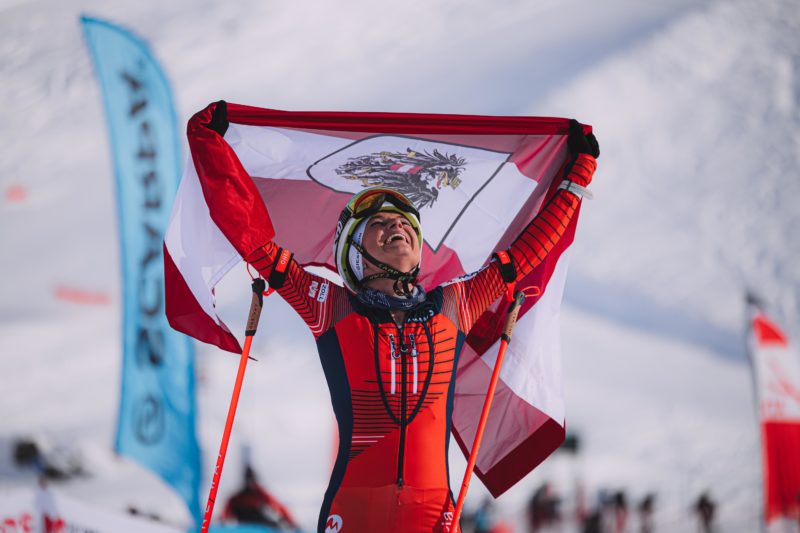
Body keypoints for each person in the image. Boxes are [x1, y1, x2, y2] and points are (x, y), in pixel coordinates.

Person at [201, 104, 599, 533]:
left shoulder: (456, 304)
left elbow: (525, 254)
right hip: (353, 511)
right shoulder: (331, 307)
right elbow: (255, 244)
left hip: (433, 513)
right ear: (354, 252)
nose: (398, 227)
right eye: (379, 223)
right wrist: (212, 148)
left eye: (405, 222)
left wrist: (576, 180)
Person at [222, 465, 299, 530]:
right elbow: (225, 514)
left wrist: (291, 522)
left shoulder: (260, 494)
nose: (250, 483)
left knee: (277, 524)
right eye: (248, 480)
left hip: (259, 524)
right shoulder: (237, 498)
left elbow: (279, 507)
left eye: (251, 480)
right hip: (246, 526)